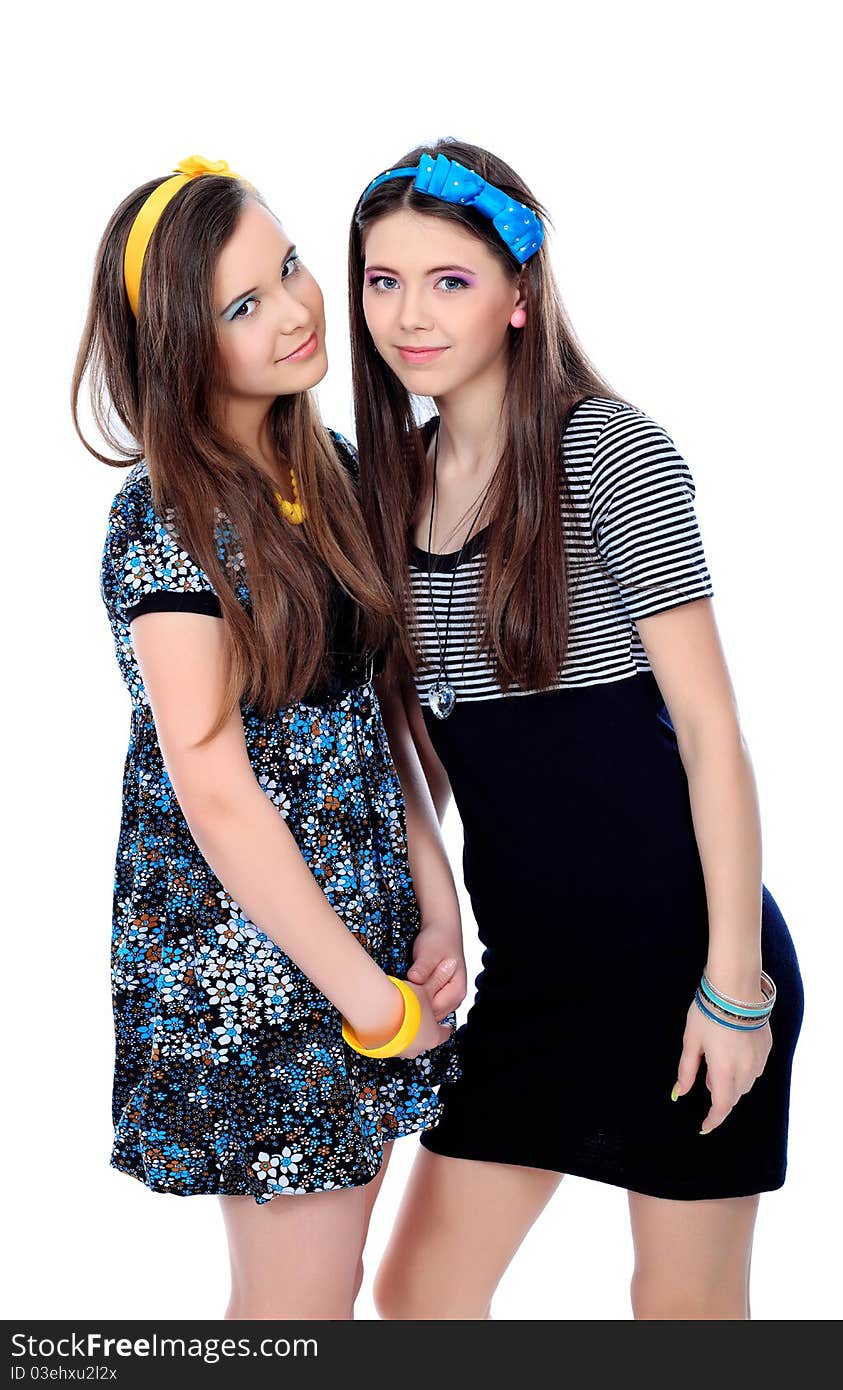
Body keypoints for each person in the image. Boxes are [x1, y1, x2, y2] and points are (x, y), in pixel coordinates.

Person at [346, 138, 805, 1320]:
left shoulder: (608, 451)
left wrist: (734, 986)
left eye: (448, 279)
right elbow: (411, 750)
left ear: (518, 293)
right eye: (383, 278)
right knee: (417, 1300)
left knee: (683, 1316)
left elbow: (712, 733)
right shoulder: (387, 484)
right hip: (535, 977)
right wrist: (433, 900)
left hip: (683, 966)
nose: (410, 312)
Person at [72, 156, 462, 1320]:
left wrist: (438, 899)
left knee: (321, 1291)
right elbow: (212, 782)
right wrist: (362, 994)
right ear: (186, 349)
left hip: (364, 937)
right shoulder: (164, 517)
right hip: (262, 965)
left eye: (287, 265)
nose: (296, 307)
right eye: (245, 305)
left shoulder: (329, 468)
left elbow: (380, 715)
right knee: (295, 1315)